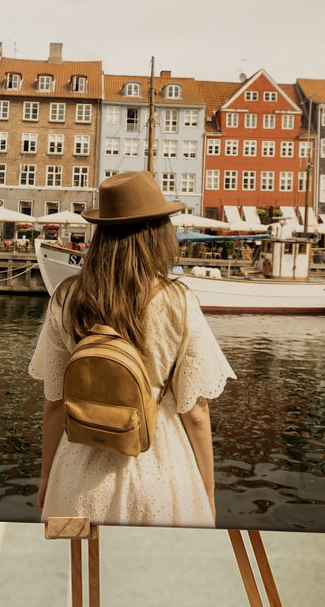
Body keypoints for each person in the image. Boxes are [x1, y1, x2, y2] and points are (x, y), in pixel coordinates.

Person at [29, 171, 235, 528]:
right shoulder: (178, 301)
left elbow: (55, 402)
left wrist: (47, 475)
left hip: (79, 471)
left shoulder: (66, 298)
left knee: (77, 576)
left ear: (101, 232)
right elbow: (196, 412)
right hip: (160, 465)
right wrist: (209, 491)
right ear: (158, 233)